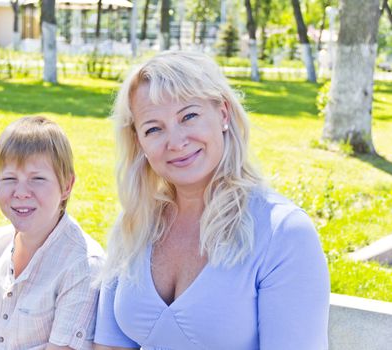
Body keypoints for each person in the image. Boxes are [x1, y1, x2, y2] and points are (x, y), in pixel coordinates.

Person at [93, 51, 330, 350]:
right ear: (138, 141)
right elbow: (109, 345)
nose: (176, 142)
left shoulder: (283, 233)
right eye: (154, 128)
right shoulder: (135, 224)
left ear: (223, 114)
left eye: (189, 116)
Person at [0, 116, 104, 350]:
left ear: (66, 186)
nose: (21, 192)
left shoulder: (83, 265)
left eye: (37, 179)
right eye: (9, 178)